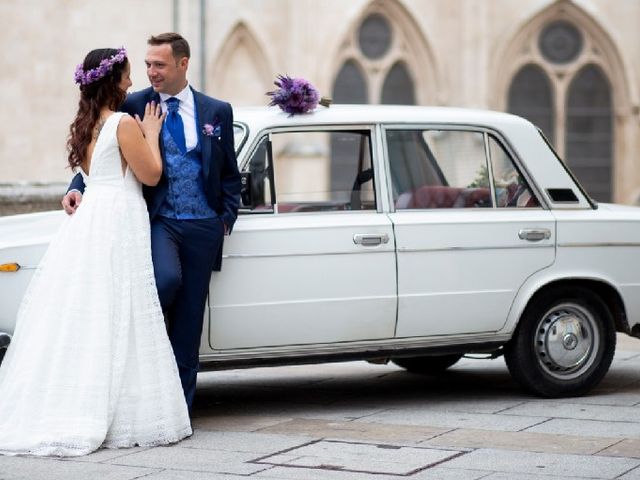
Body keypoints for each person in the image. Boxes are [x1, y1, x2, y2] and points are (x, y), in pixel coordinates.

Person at [0, 47, 192, 456]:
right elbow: (151, 174)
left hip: (90, 222)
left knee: (89, 309)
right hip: (118, 218)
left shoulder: (84, 126)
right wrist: (152, 136)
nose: (131, 81)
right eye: (126, 74)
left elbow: (90, 174)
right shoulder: (123, 123)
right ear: (112, 80)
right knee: (120, 307)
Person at [62, 33, 242, 412]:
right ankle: (142, 380)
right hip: (159, 220)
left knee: (191, 318)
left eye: (158, 65)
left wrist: (225, 217)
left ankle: (179, 409)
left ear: (183, 64)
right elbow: (103, 147)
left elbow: (229, 173)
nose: (150, 72)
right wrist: (78, 185)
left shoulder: (216, 111)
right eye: (146, 65)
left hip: (204, 224)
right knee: (162, 282)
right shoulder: (132, 104)